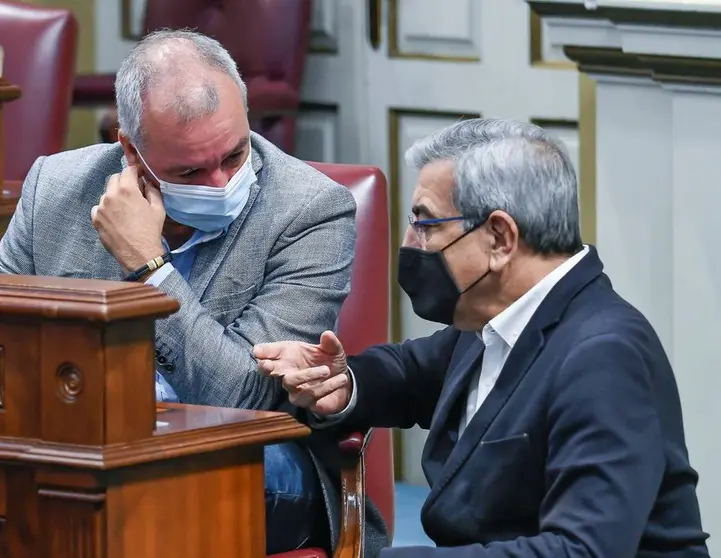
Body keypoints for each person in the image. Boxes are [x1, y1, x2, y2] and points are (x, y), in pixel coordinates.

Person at [0, 30, 388, 555]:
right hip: (74, 444)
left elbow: (244, 401)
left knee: (111, 489)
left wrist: (149, 269)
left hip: (252, 456)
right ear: (130, 150)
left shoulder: (310, 210)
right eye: (189, 170)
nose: (218, 183)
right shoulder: (56, 188)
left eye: (234, 155)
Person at [254, 118, 710, 557]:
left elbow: (581, 550)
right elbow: (411, 372)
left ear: (499, 238)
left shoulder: (604, 356)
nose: (410, 244)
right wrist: (342, 382)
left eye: (426, 224)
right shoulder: (497, 320)